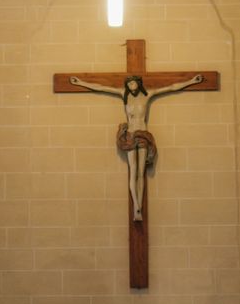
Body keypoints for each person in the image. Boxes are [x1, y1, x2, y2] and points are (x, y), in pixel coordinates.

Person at [69, 72, 203, 220]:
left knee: (141, 172)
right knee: (133, 171)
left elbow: (171, 88)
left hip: (143, 135)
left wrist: (191, 81)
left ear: (138, 84)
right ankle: (136, 207)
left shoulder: (147, 95)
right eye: (129, 84)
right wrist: (80, 83)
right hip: (131, 135)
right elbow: (101, 88)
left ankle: (139, 204)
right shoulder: (123, 94)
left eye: (133, 83)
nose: (131, 86)